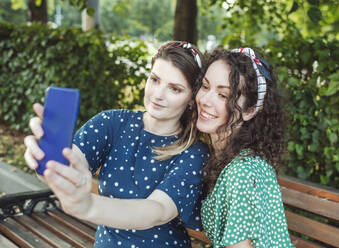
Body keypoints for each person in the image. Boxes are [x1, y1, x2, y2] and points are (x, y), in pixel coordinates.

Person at [24, 41, 209, 248]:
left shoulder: (193, 152)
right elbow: (69, 161)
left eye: (174, 89)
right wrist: (47, 159)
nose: (158, 94)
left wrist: (89, 206)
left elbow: (157, 211)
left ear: (192, 99)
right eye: (155, 80)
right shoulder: (112, 123)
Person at [195, 48, 294, 248]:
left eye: (223, 95)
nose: (205, 100)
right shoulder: (230, 159)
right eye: (205, 86)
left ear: (249, 111)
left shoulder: (242, 172)